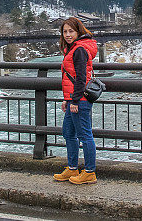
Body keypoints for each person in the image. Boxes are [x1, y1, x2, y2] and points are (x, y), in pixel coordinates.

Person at [53, 17, 98, 184]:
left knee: (85, 135)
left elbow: (81, 78)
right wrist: (67, 99)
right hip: (73, 98)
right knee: (68, 133)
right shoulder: (73, 49)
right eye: (65, 32)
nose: (67, 34)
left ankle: (90, 172)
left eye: (71, 31)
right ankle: (72, 167)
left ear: (78, 31)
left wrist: (75, 100)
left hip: (80, 100)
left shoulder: (79, 50)